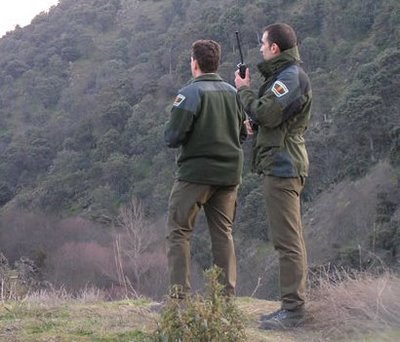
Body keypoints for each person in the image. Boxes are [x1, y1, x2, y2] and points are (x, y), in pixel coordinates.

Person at [234, 23, 312, 329]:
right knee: (287, 239)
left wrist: (244, 91)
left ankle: (293, 311)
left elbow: (267, 113)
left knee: (287, 240)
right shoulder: (284, 76)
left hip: (283, 167)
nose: (261, 49)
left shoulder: (290, 77)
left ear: (275, 48)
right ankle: (292, 306)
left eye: (263, 44)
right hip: (280, 163)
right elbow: (272, 119)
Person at [164, 39, 247, 299]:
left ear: (195, 63)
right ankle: (224, 299)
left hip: (195, 175)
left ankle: (180, 299)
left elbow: (173, 137)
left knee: (179, 232)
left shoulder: (189, 93)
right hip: (229, 175)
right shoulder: (234, 93)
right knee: (223, 233)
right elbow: (243, 134)